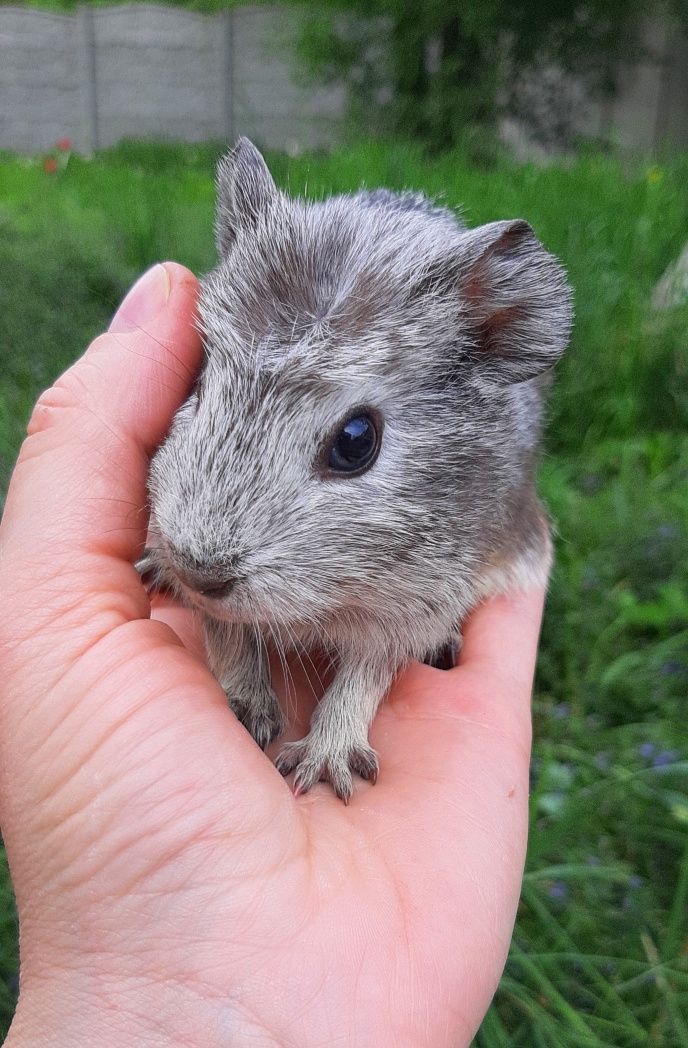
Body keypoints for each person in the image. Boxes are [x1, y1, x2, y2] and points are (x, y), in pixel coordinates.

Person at [0, 263, 545, 1047]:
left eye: (352, 444)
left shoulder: (451, 504)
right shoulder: (199, 518)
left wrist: (341, 724)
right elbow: (203, 552)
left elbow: (401, 623)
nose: (208, 548)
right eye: (205, 392)